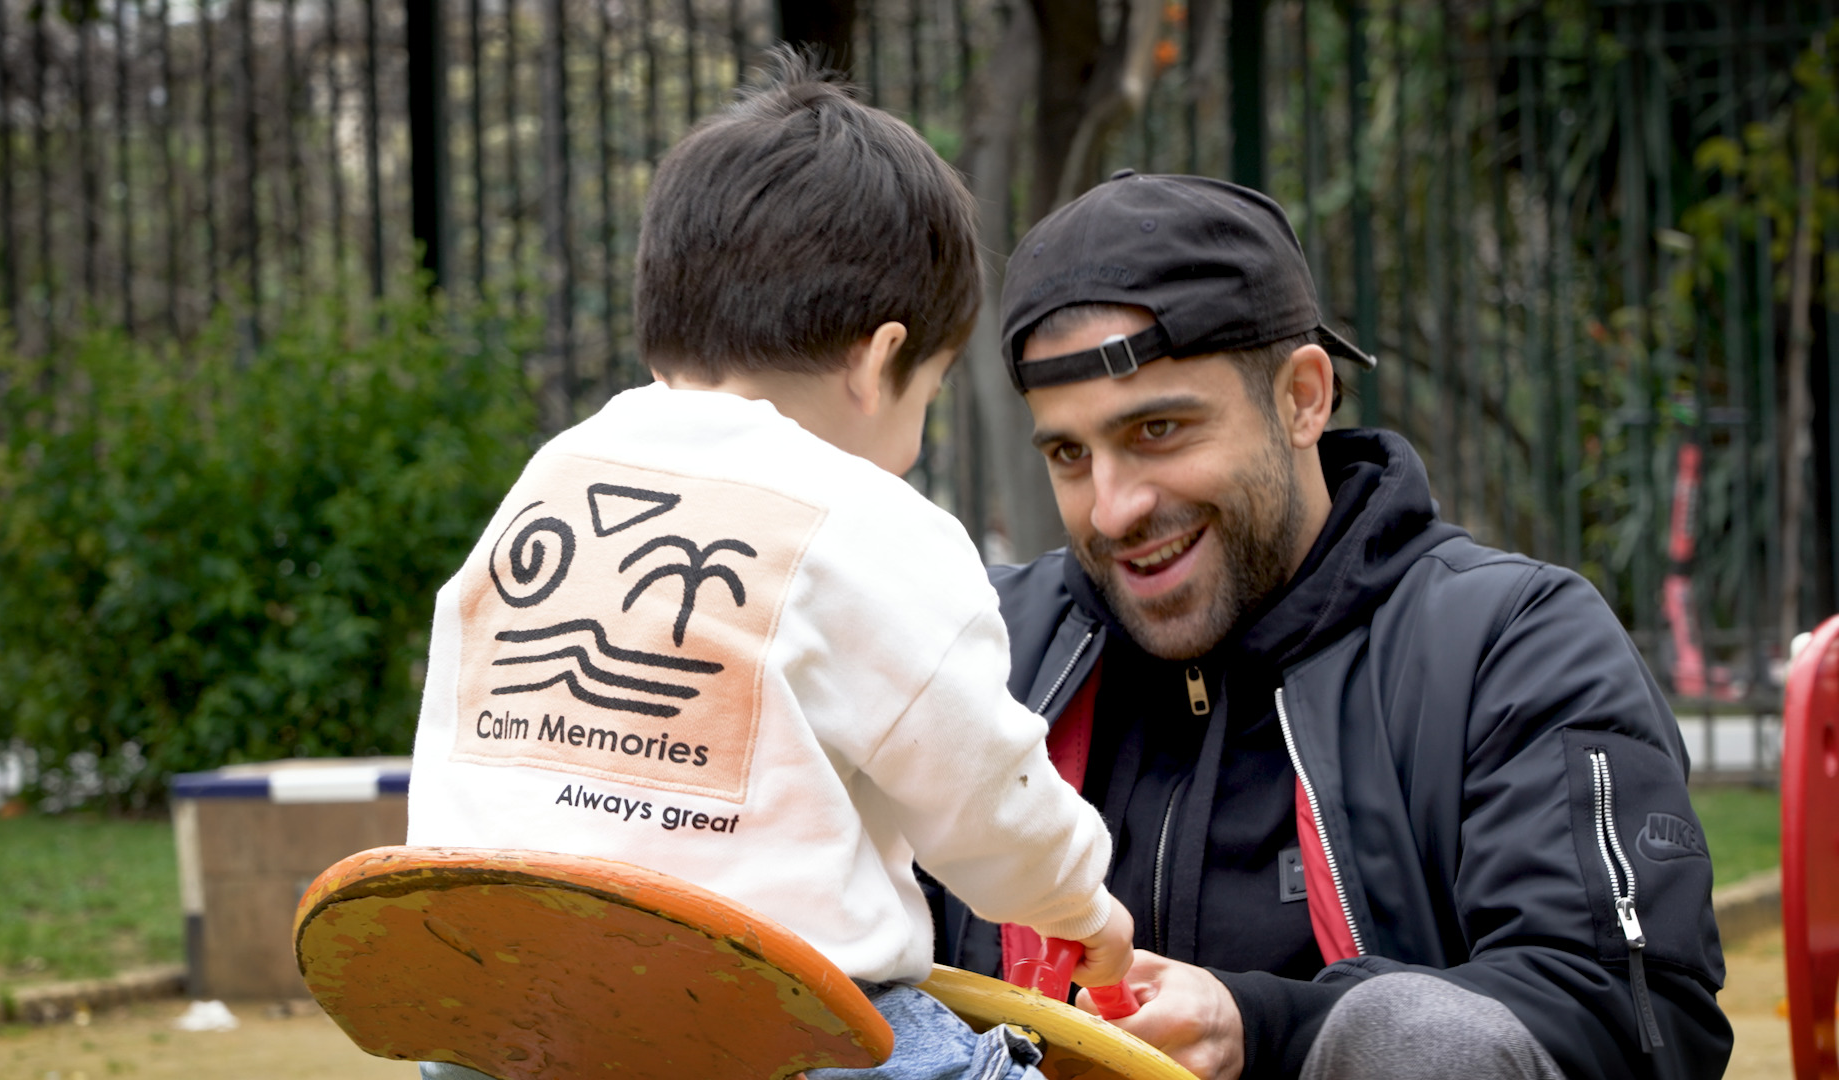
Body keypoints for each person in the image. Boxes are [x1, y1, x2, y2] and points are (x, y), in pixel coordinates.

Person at [404, 55, 1132, 1080]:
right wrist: (1081, 902)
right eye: (924, 395)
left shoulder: (553, 477)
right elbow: (985, 798)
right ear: (879, 361)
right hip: (765, 1031)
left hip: (500, 1010)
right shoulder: (868, 519)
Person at [926, 172, 1731, 1080]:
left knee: (1423, 1037)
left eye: (1158, 430)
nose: (1112, 510)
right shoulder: (977, 649)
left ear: (1304, 397)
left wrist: (1266, 1031)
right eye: (1071, 454)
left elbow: (1633, 1018)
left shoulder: (1513, 642)